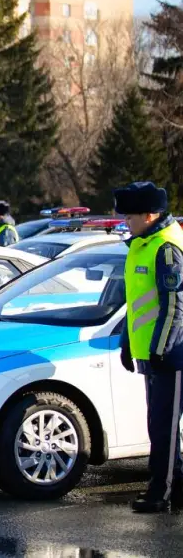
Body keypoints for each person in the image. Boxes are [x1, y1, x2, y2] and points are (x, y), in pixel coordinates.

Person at [115, 181, 183, 514]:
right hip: (152, 355)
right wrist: (129, 343)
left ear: (150, 214)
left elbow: (174, 305)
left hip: (172, 356)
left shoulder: (167, 247)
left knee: (164, 428)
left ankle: (162, 493)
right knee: (159, 424)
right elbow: (137, 303)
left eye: (130, 216)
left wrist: (160, 349)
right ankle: (175, 487)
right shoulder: (142, 245)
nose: (126, 222)